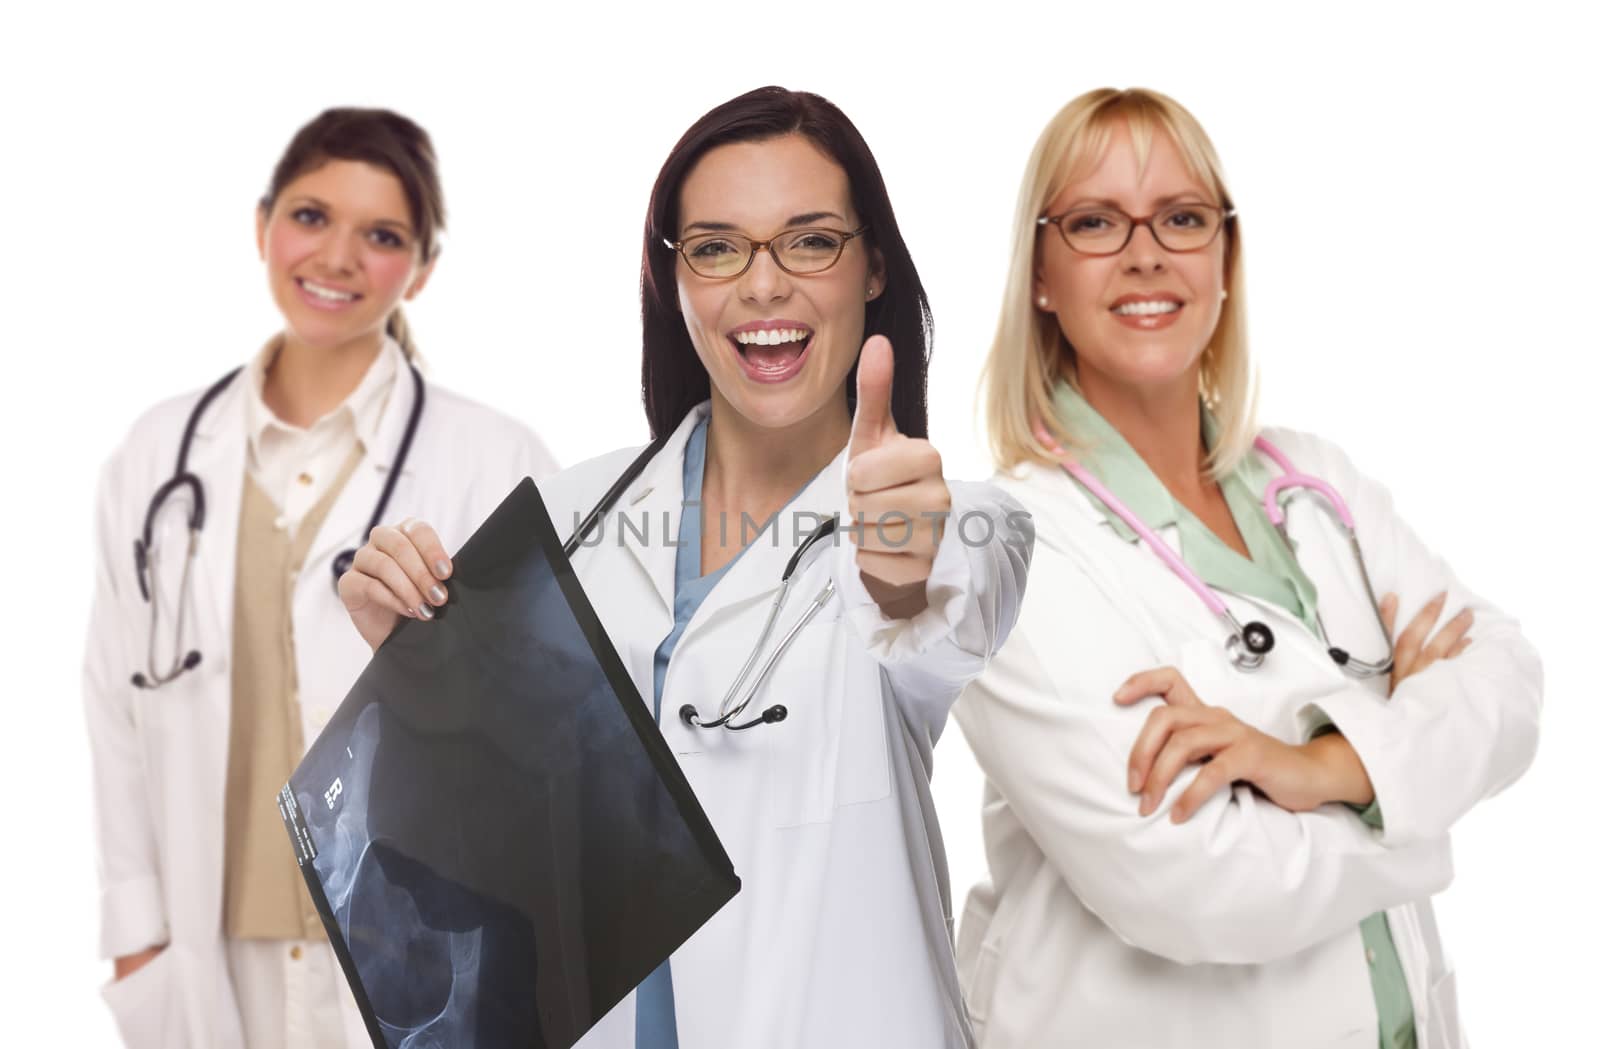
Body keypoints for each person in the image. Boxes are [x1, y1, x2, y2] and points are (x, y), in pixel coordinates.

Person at [339, 86, 1032, 1049]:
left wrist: (902, 568)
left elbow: (940, 610)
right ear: (677, 280)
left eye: (810, 240)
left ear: (872, 263)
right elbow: (498, 860)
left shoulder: (962, 522)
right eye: (716, 247)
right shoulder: (572, 517)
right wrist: (419, 668)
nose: (762, 286)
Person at [955, 87, 1541, 1049]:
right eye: (1097, 222)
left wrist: (1322, 766)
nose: (1147, 253)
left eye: (1183, 218)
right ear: (1041, 275)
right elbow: (1196, 883)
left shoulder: (1315, 482)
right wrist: (1414, 787)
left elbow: (1510, 684)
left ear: (1225, 259)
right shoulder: (1005, 548)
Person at [83, 107, 558, 1049]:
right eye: (310, 217)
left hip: (411, 951)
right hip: (211, 948)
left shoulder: (493, 458)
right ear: (263, 225)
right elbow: (113, 705)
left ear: (421, 268)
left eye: (381, 235)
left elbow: (544, 730)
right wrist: (136, 935)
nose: (337, 256)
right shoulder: (155, 456)